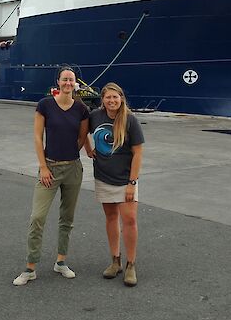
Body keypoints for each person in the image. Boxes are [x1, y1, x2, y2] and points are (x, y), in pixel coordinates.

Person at [13, 67, 90, 286]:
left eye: (71, 80)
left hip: (73, 169)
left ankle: (61, 261)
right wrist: (43, 166)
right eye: (64, 79)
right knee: (37, 217)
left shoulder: (81, 109)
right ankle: (30, 267)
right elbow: (38, 137)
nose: (68, 82)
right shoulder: (45, 105)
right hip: (50, 168)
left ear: (75, 83)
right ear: (58, 82)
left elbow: (82, 138)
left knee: (67, 218)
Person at [85, 82, 144, 287]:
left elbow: (137, 153)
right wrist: (87, 148)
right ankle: (115, 261)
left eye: (115, 97)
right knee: (111, 217)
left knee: (129, 219)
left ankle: (131, 264)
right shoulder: (95, 117)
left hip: (125, 179)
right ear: (103, 99)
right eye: (108, 97)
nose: (112, 101)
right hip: (103, 176)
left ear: (121, 98)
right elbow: (82, 130)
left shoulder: (130, 120)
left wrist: (132, 183)